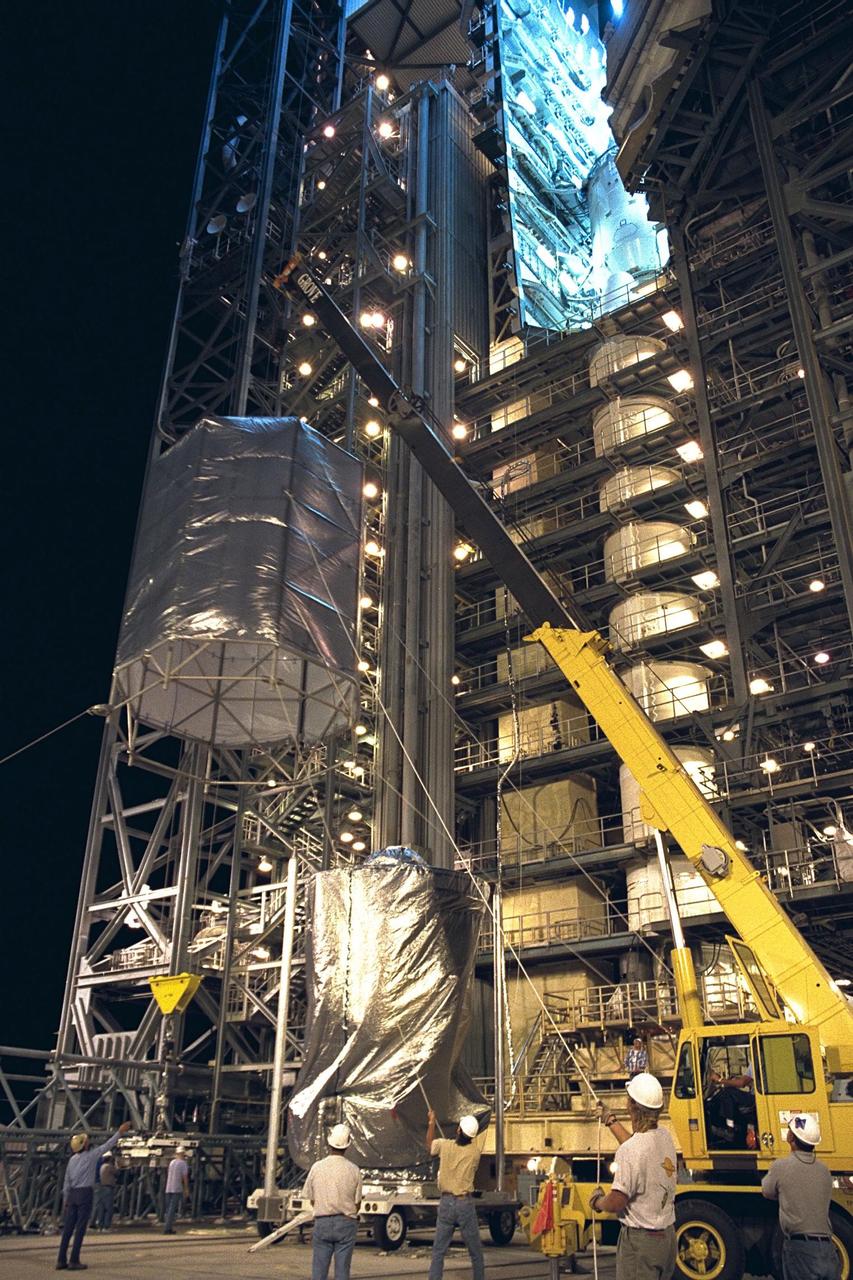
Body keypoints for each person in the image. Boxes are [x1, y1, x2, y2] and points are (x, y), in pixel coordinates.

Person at [590, 1073, 677, 1280]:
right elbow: (637, 1147)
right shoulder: (665, 1137)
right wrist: (611, 1121)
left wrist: (598, 1201)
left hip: (641, 1243)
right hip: (666, 1239)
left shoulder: (630, 1150)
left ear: (633, 1107)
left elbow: (617, 1202)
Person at [762, 1114, 840, 1280]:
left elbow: (767, 1191)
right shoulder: (824, 1170)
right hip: (828, 1250)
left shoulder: (781, 1166)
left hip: (800, 1250)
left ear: (791, 1137)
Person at [56, 1120, 132, 1271]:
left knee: (68, 1229)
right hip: (85, 1194)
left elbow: (67, 1181)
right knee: (80, 1229)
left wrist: (66, 1199)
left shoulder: (71, 1160)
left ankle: (61, 1260)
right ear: (84, 1145)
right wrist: (120, 1132)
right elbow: (107, 1145)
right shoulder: (91, 1156)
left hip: (72, 1195)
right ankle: (74, 1260)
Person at [426, 1109, 488, 1280]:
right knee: (475, 1252)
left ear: (459, 1130)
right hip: (464, 1204)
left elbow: (429, 1146)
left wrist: (432, 1122)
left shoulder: (444, 1146)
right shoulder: (475, 1153)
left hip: (446, 1202)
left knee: (438, 1251)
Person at [303, 1123, 362, 1280]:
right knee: (343, 1271)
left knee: (319, 1271)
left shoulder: (317, 1167)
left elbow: (311, 1198)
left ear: (329, 1143)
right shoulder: (354, 1169)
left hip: (322, 1222)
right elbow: (357, 1204)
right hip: (346, 1223)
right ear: (347, 1145)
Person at [163, 1145, 190, 1234]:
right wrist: (186, 1189)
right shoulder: (183, 1163)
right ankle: (167, 1228)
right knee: (172, 1209)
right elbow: (185, 1177)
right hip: (176, 1188)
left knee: (168, 1209)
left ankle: (167, 1226)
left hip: (168, 1188)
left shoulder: (172, 1162)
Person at [91, 1152, 116, 1231]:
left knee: (100, 1207)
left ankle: (99, 1225)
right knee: (108, 1208)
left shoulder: (101, 1165)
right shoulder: (109, 1166)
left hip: (100, 1186)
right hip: (106, 1187)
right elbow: (117, 1172)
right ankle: (106, 1226)